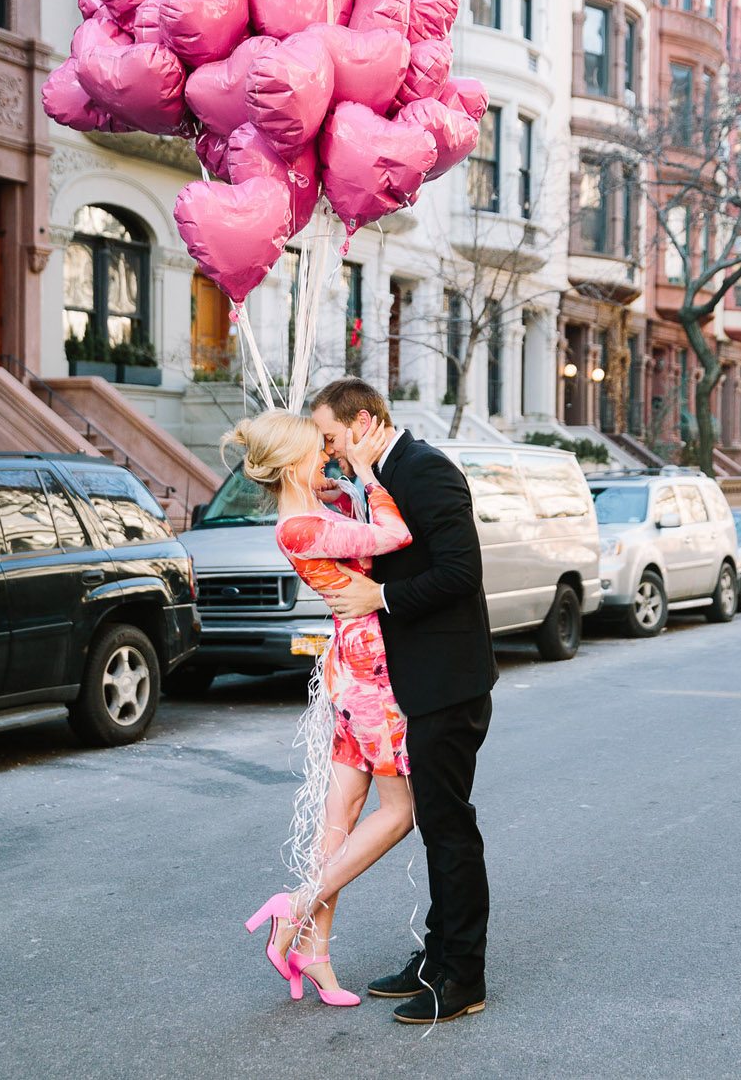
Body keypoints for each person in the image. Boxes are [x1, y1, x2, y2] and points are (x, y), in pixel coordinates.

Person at [311, 377, 497, 1025]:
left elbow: (459, 572)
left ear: (363, 422)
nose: (329, 454)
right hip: (414, 681)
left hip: (450, 679)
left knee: (449, 827)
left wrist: (379, 601)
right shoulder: (376, 479)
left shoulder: (427, 470)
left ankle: (462, 977)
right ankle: (437, 958)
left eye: (331, 439)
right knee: (436, 825)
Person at [230, 410, 416, 1009]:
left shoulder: (310, 512)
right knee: (402, 811)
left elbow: (354, 529)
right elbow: (393, 537)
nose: (328, 460)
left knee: (340, 819)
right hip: (367, 675)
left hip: (353, 665)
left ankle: (316, 952)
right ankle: (297, 907)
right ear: (290, 463)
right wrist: (369, 474)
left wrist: (345, 487)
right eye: (318, 453)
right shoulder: (301, 526)